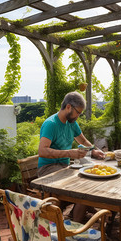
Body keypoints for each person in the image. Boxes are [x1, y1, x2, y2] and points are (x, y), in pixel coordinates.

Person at [37, 91, 105, 222]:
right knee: (83, 188)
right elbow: (42, 151)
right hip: (47, 169)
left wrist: (94, 151)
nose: (78, 116)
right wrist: (70, 153)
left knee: (90, 178)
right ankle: (75, 228)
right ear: (68, 107)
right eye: (78, 112)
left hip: (64, 167)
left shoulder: (71, 123)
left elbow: (84, 142)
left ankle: (76, 215)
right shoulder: (51, 124)